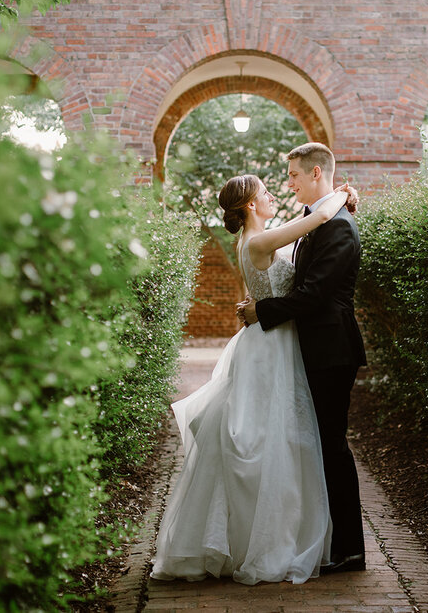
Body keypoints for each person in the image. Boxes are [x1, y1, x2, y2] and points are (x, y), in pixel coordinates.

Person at [149, 172, 356, 585]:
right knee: (270, 435)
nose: (273, 195)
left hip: (272, 338)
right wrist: (341, 193)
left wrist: (257, 305)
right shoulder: (261, 239)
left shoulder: (251, 241)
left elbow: (264, 291)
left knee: (272, 434)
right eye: (265, 192)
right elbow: (316, 220)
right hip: (271, 345)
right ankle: (261, 539)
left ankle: (262, 531)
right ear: (249, 205)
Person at [238, 142, 368, 574]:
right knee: (315, 445)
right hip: (310, 347)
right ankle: (324, 537)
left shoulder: (339, 228)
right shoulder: (320, 222)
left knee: (331, 445)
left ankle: (349, 550)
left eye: (294, 174)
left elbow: (313, 296)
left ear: (316, 173)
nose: (288, 181)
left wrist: (262, 311)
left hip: (331, 350)